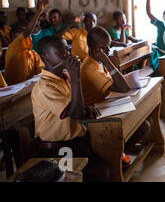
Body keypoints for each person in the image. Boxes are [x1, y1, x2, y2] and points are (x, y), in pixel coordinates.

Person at [32, 35, 110, 181]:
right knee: (100, 173)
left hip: (77, 141)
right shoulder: (45, 86)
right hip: (58, 149)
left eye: (67, 50)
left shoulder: (65, 77)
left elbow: (75, 105)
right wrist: (76, 77)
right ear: (45, 56)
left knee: (107, 162)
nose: (66, 55)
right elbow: (74, 113)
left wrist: (86, 107)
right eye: (60, 52)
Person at [4, 0, 48, 85]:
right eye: (16, 37)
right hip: (14, 90)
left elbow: (41, 69)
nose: (24, 39)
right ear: (11, 40)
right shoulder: (12, 49)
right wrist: (39, 12)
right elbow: (27, 32)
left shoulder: (31, 53)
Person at [80, 26, 130, 106]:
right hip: (96, 109)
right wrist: (107, 61)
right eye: (103, 48)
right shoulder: (90, 68)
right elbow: (124, 88)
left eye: (109, 46)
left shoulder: (97, 61)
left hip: (105, 102)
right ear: (93, 49)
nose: (108, 50)